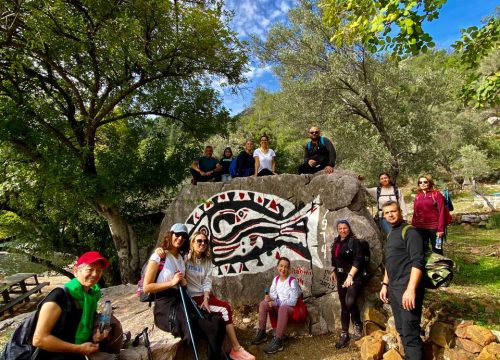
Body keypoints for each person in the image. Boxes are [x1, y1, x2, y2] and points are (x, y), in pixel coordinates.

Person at [156, 232, 255, 360]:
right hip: (192, 297)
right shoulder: (185, 257)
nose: (202, 244)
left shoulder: (207, 261)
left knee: (221, 314)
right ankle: (236, 349)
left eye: (205, 241)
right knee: (225, 309)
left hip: (204, 296)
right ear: (192, 243)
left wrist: (207, 298)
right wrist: (160, 249)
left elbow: (207, 281)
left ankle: (218, 351)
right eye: (199, 241)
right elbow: (172, 255)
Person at [143, 224, 226, 360]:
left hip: (182, 300)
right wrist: (171, 282)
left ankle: (213, 356)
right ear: (170, 235)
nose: (180, 238)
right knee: (207, 327)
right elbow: (147, 287)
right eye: (177, 234)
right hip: (166, 307)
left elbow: (193, 272)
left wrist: (184, 283)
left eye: (184, 236)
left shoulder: (181, 258)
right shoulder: (159, 256)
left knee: (218, 322)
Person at [31, 251, 124, 360]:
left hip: (74, 354)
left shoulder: (91, 296)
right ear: (76, 271)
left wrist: (95, 336)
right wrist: (78, 349)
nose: (95, 274)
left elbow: (78, 328)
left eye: (99, 270)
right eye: (90, 269)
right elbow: (39, 339)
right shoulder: (59, 296)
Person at [380, 201, 425, 360]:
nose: (390, 215)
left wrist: (411, 289)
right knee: (401, 329)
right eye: (387, 213)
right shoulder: (391, 233)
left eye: (393, 211)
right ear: (383, 216)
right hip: (394, 288)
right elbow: (390, 262)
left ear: (400, 211)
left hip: (407, 289)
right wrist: (385, 284)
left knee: (410, 332)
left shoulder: (410, 232)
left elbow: (418, 262)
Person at [252, 257, 301, 354]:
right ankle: (262, 333)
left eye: (286, 267)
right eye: (281, 266)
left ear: (289, 269)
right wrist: (269, 298)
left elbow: (293, 302)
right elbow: (273, 296)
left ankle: (278, 341)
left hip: (293, 310)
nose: (283, 269)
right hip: (281, 308)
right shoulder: (276, 279)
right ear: (277, 267)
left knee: (283, 308)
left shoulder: (292, 281)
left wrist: (276, 302)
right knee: (263, 303)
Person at [329, 220, 364, 348]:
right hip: (340, 277)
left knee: (350, 302)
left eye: (345, 228)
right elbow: (334, 258)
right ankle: (344, 334)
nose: (343, 230)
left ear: (349, 228)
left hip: (354, 276)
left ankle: (357, 324)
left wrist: (350, 276)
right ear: (337, 229)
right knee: (344, 305)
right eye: (340, 228)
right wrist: (334, 271)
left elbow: (358, 260)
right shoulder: (336, 242)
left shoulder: (355, 242)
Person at [412, 174, 446, 255]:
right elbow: (415, 213)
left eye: (425, 182)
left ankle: (440, 266)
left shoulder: (437, 194)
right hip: (420, 228)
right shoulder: (418, 196)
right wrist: (413, 226)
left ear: (429, 183)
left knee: (437, 249)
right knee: (422, 250)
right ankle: (425, 267)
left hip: (434, 228)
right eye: (420, 182)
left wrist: (440, 229)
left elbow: (442, 212)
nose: (422, 184)